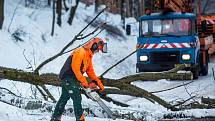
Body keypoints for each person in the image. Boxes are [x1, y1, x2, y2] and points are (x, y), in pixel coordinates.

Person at [50, 37, 107, 121]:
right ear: (93, 45)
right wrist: (85, 84)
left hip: (72, 78)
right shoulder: (80, 52)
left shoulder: (88, 56)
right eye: (98, 49)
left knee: (64, 97)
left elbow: (90, 72)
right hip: (68, 77)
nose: (97, 51)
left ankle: (55, 118)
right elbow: (75, 68)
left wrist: (100, 85)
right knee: (77, 97)